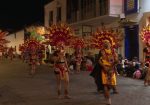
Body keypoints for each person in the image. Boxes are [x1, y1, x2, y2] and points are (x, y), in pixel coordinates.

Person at [99, 41, 118, 105]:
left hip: (111, 70)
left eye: (107, 42)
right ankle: (108, 99)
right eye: (105, 42)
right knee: (105, 85)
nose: (106, 43)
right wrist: (104, 66)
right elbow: (100, 60)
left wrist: (115, 62)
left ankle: (107, 94)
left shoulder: (113, 51)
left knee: (111, 85)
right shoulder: (102, 51)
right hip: (105, 70)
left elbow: (116, 60)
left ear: (110, 44)